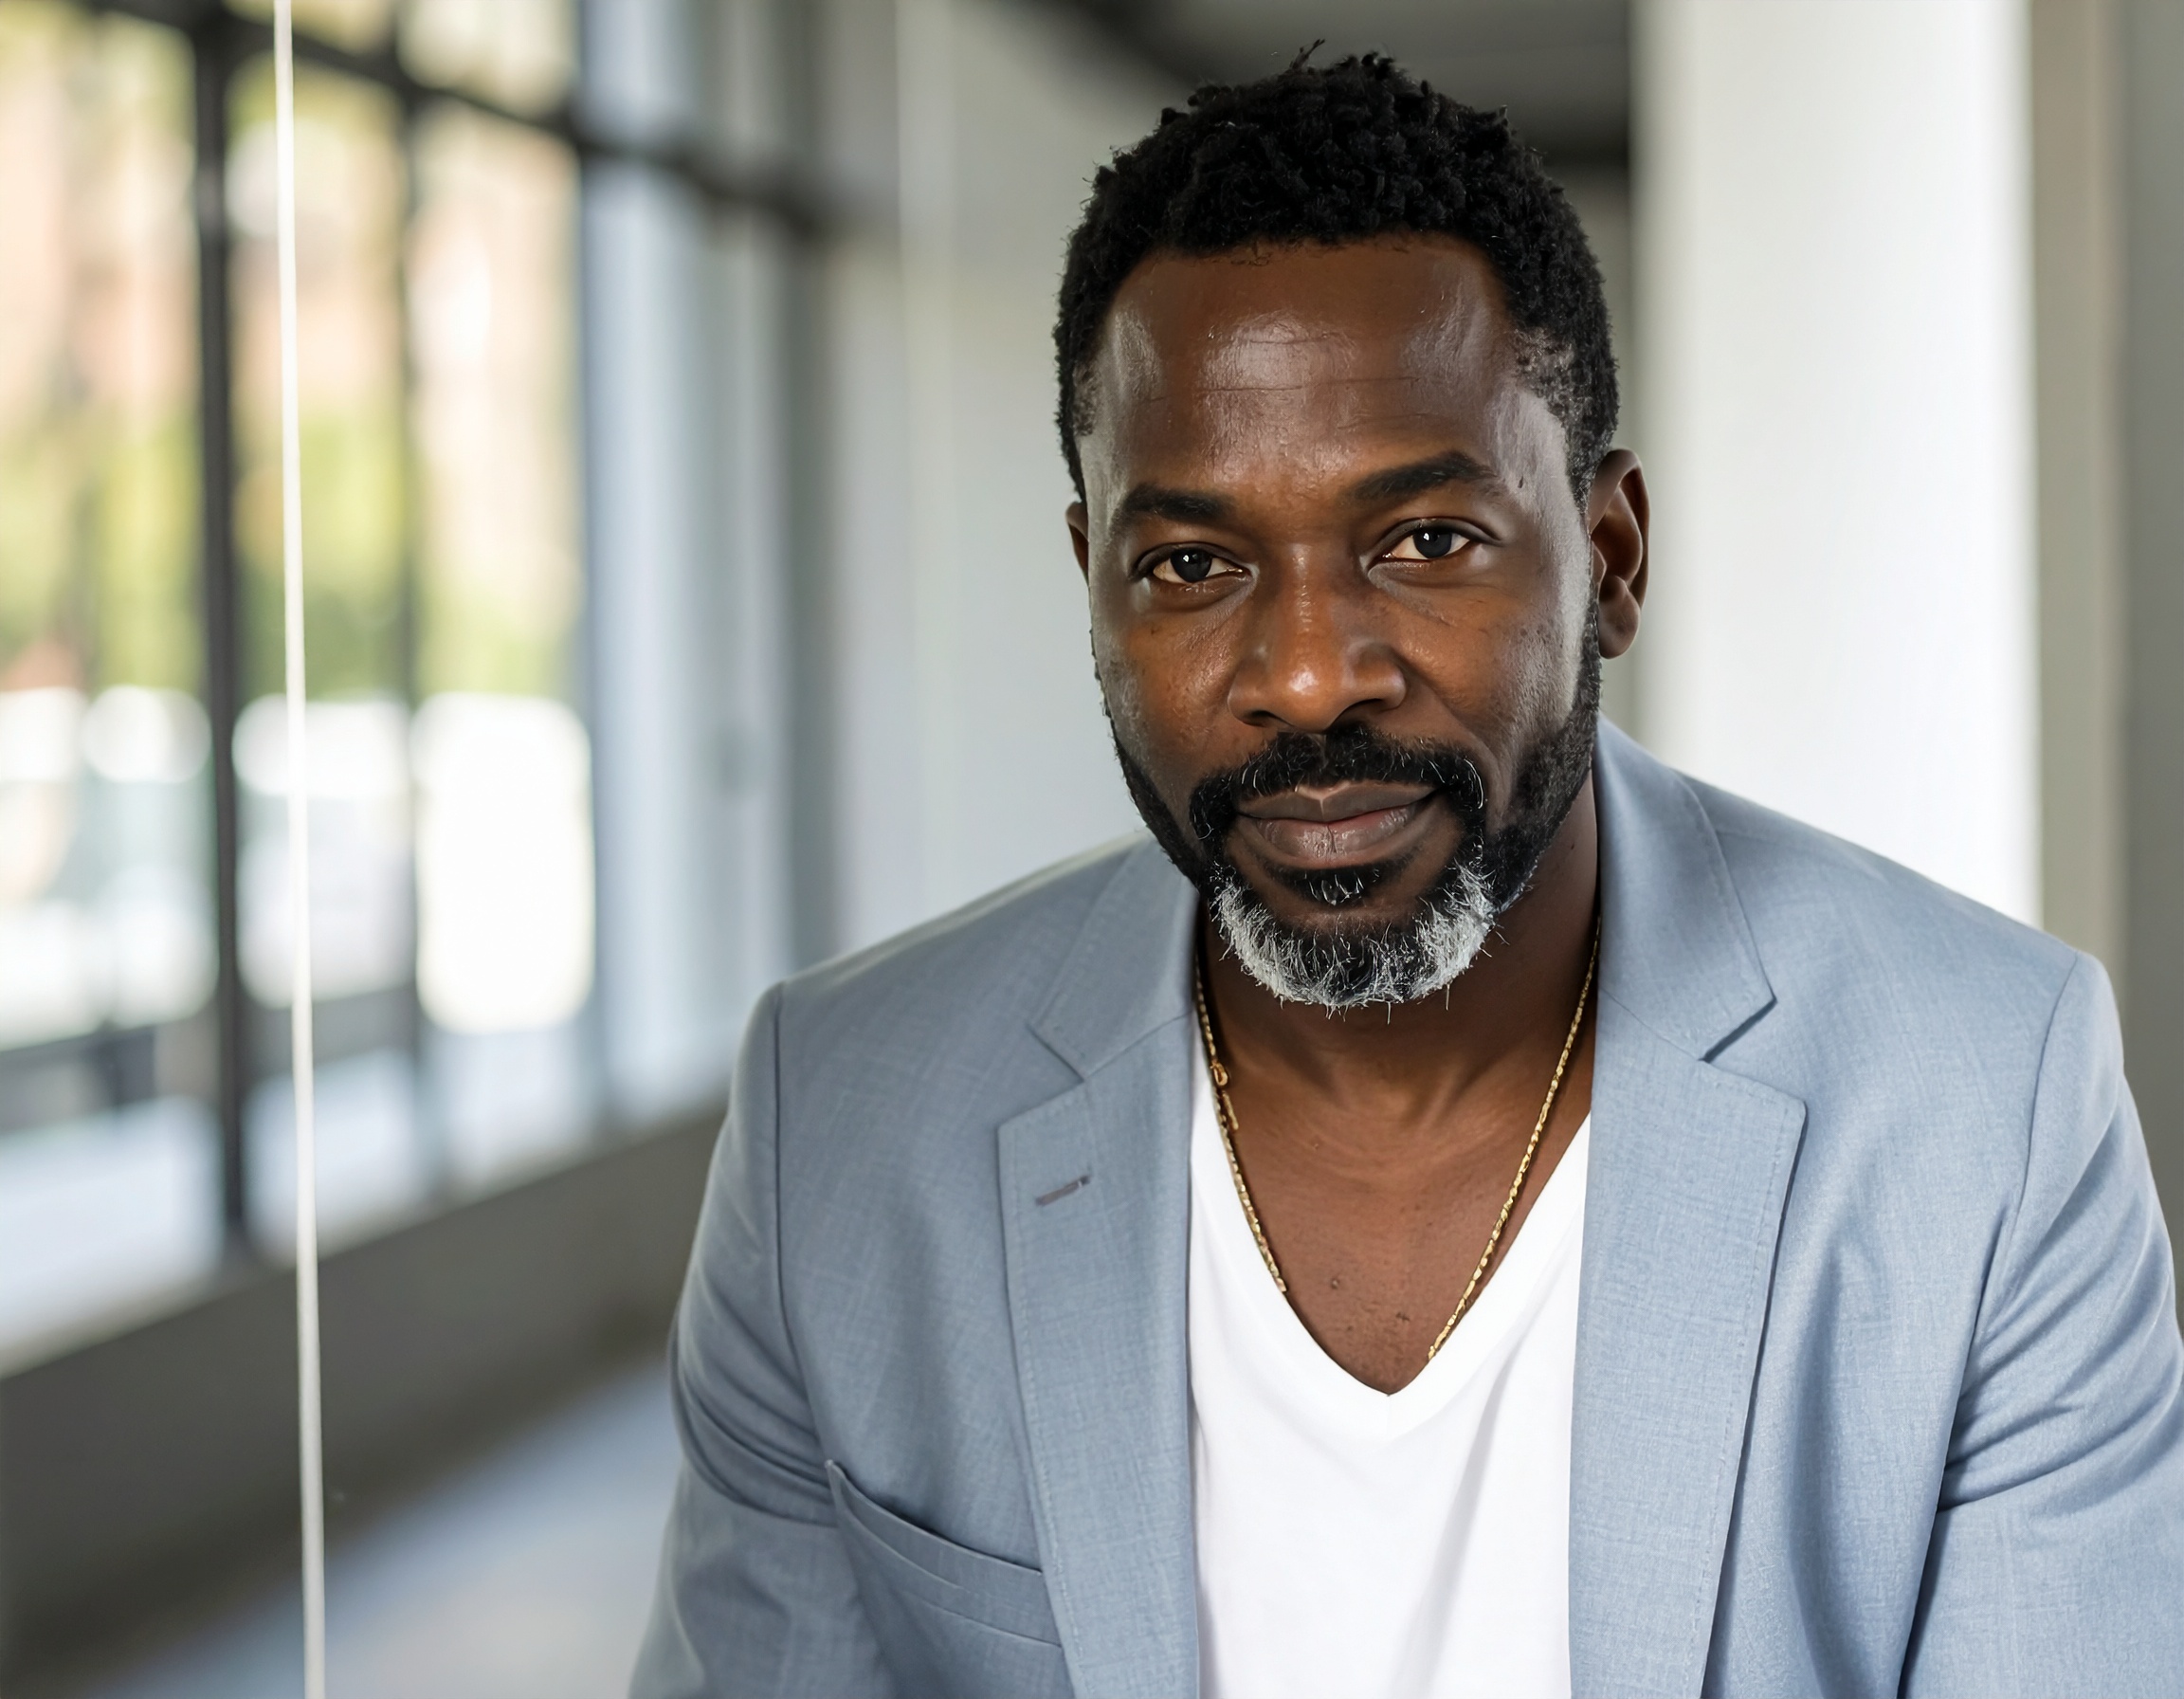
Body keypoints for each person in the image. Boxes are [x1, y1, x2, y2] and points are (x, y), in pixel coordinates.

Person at [632, 54, 2184, 1699]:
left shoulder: (1984, 1104)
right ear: (1090, 584)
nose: (1309, 678)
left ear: (1612, 560)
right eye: (1192, 564)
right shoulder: (847, 1130)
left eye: (1426, 542)